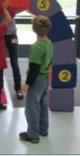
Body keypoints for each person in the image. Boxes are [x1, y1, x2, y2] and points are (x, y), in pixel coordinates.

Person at [19, 15, 54, 144]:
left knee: (32, 108)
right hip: (45, 79)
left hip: (37, 81)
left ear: (34, 29)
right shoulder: (49, 43)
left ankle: (32, 134)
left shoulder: (36, 46)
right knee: (43, 106)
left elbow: (34, 68)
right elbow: (49, 61)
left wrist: (27, 84)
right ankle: (43, 130)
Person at [0, 15, 23, 100]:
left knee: (14, 62)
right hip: (2, 35)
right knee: (0, 61)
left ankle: (18, 88)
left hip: (12, 35)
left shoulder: (12, 3)